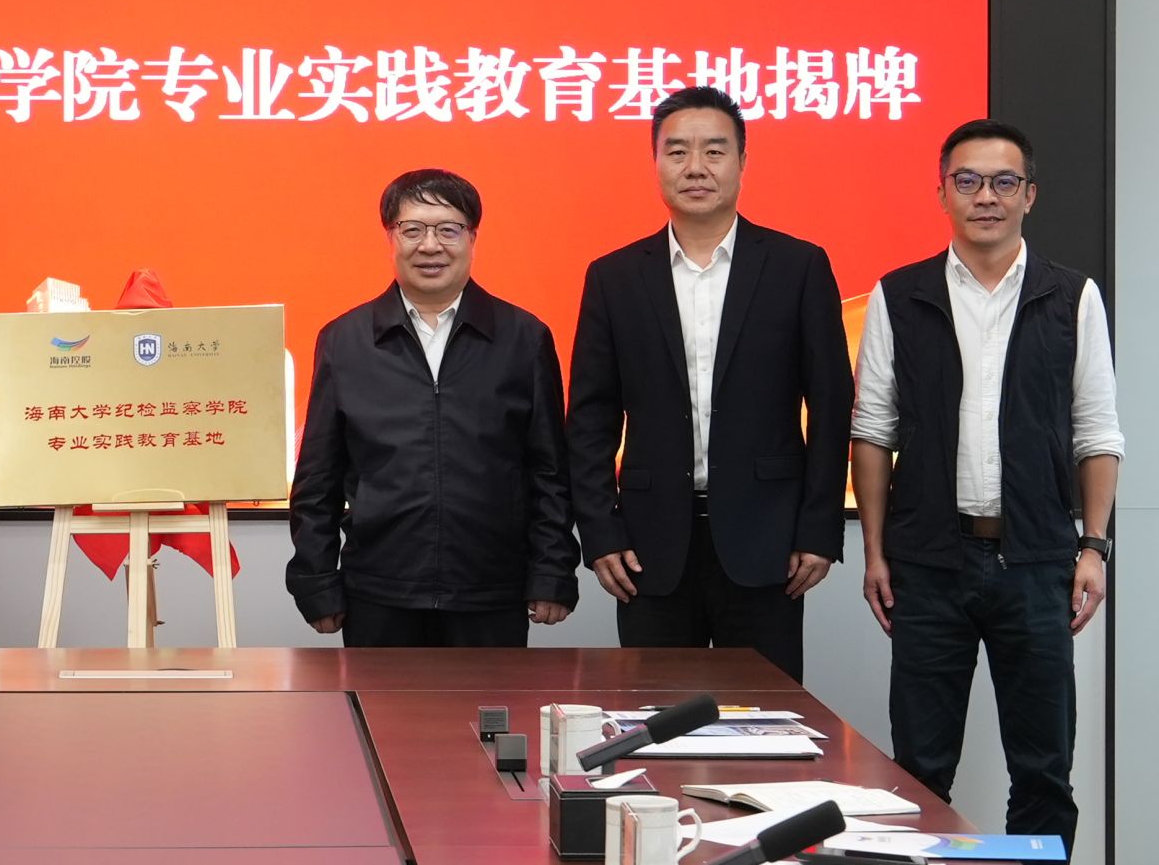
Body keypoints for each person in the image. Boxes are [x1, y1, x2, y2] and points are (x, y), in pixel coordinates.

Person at [851, 118, 1120, 850]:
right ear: (941, 192)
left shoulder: (1072, 297)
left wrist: (1093, 546)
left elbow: (1097, 433)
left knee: (1043, 771)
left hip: (1036, 561)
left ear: (1030, 194)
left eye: (1004, 182)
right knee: (919, 769)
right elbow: (873, 430)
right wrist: (874, 550)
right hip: (929, 563)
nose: (986, 197)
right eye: (967, 181)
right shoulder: (899, 294)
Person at [566, 86, 852, 682]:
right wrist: (599, 530)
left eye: (714, 151)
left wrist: (819, 528)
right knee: (656, 713)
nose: (695, 167)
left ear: (742, 162)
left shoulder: (798, 267)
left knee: (766, 716)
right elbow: (591, 417)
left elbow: (831, 406)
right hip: (649, 544)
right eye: (677, 152)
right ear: (656, 163)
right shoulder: (615, 276)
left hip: (768, 539)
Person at [286, 168, 576, 646]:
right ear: (390, 237)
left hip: (490, 591)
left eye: (448, 229)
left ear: (472, 238)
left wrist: (552, 571)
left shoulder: (524, 338)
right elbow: (318, 477)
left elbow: (549, 470)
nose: (430, 245)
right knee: (382, 700)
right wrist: (316, 580)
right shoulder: (345, 340)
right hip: (379, 591)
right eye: (412, 229)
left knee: (492, 701)